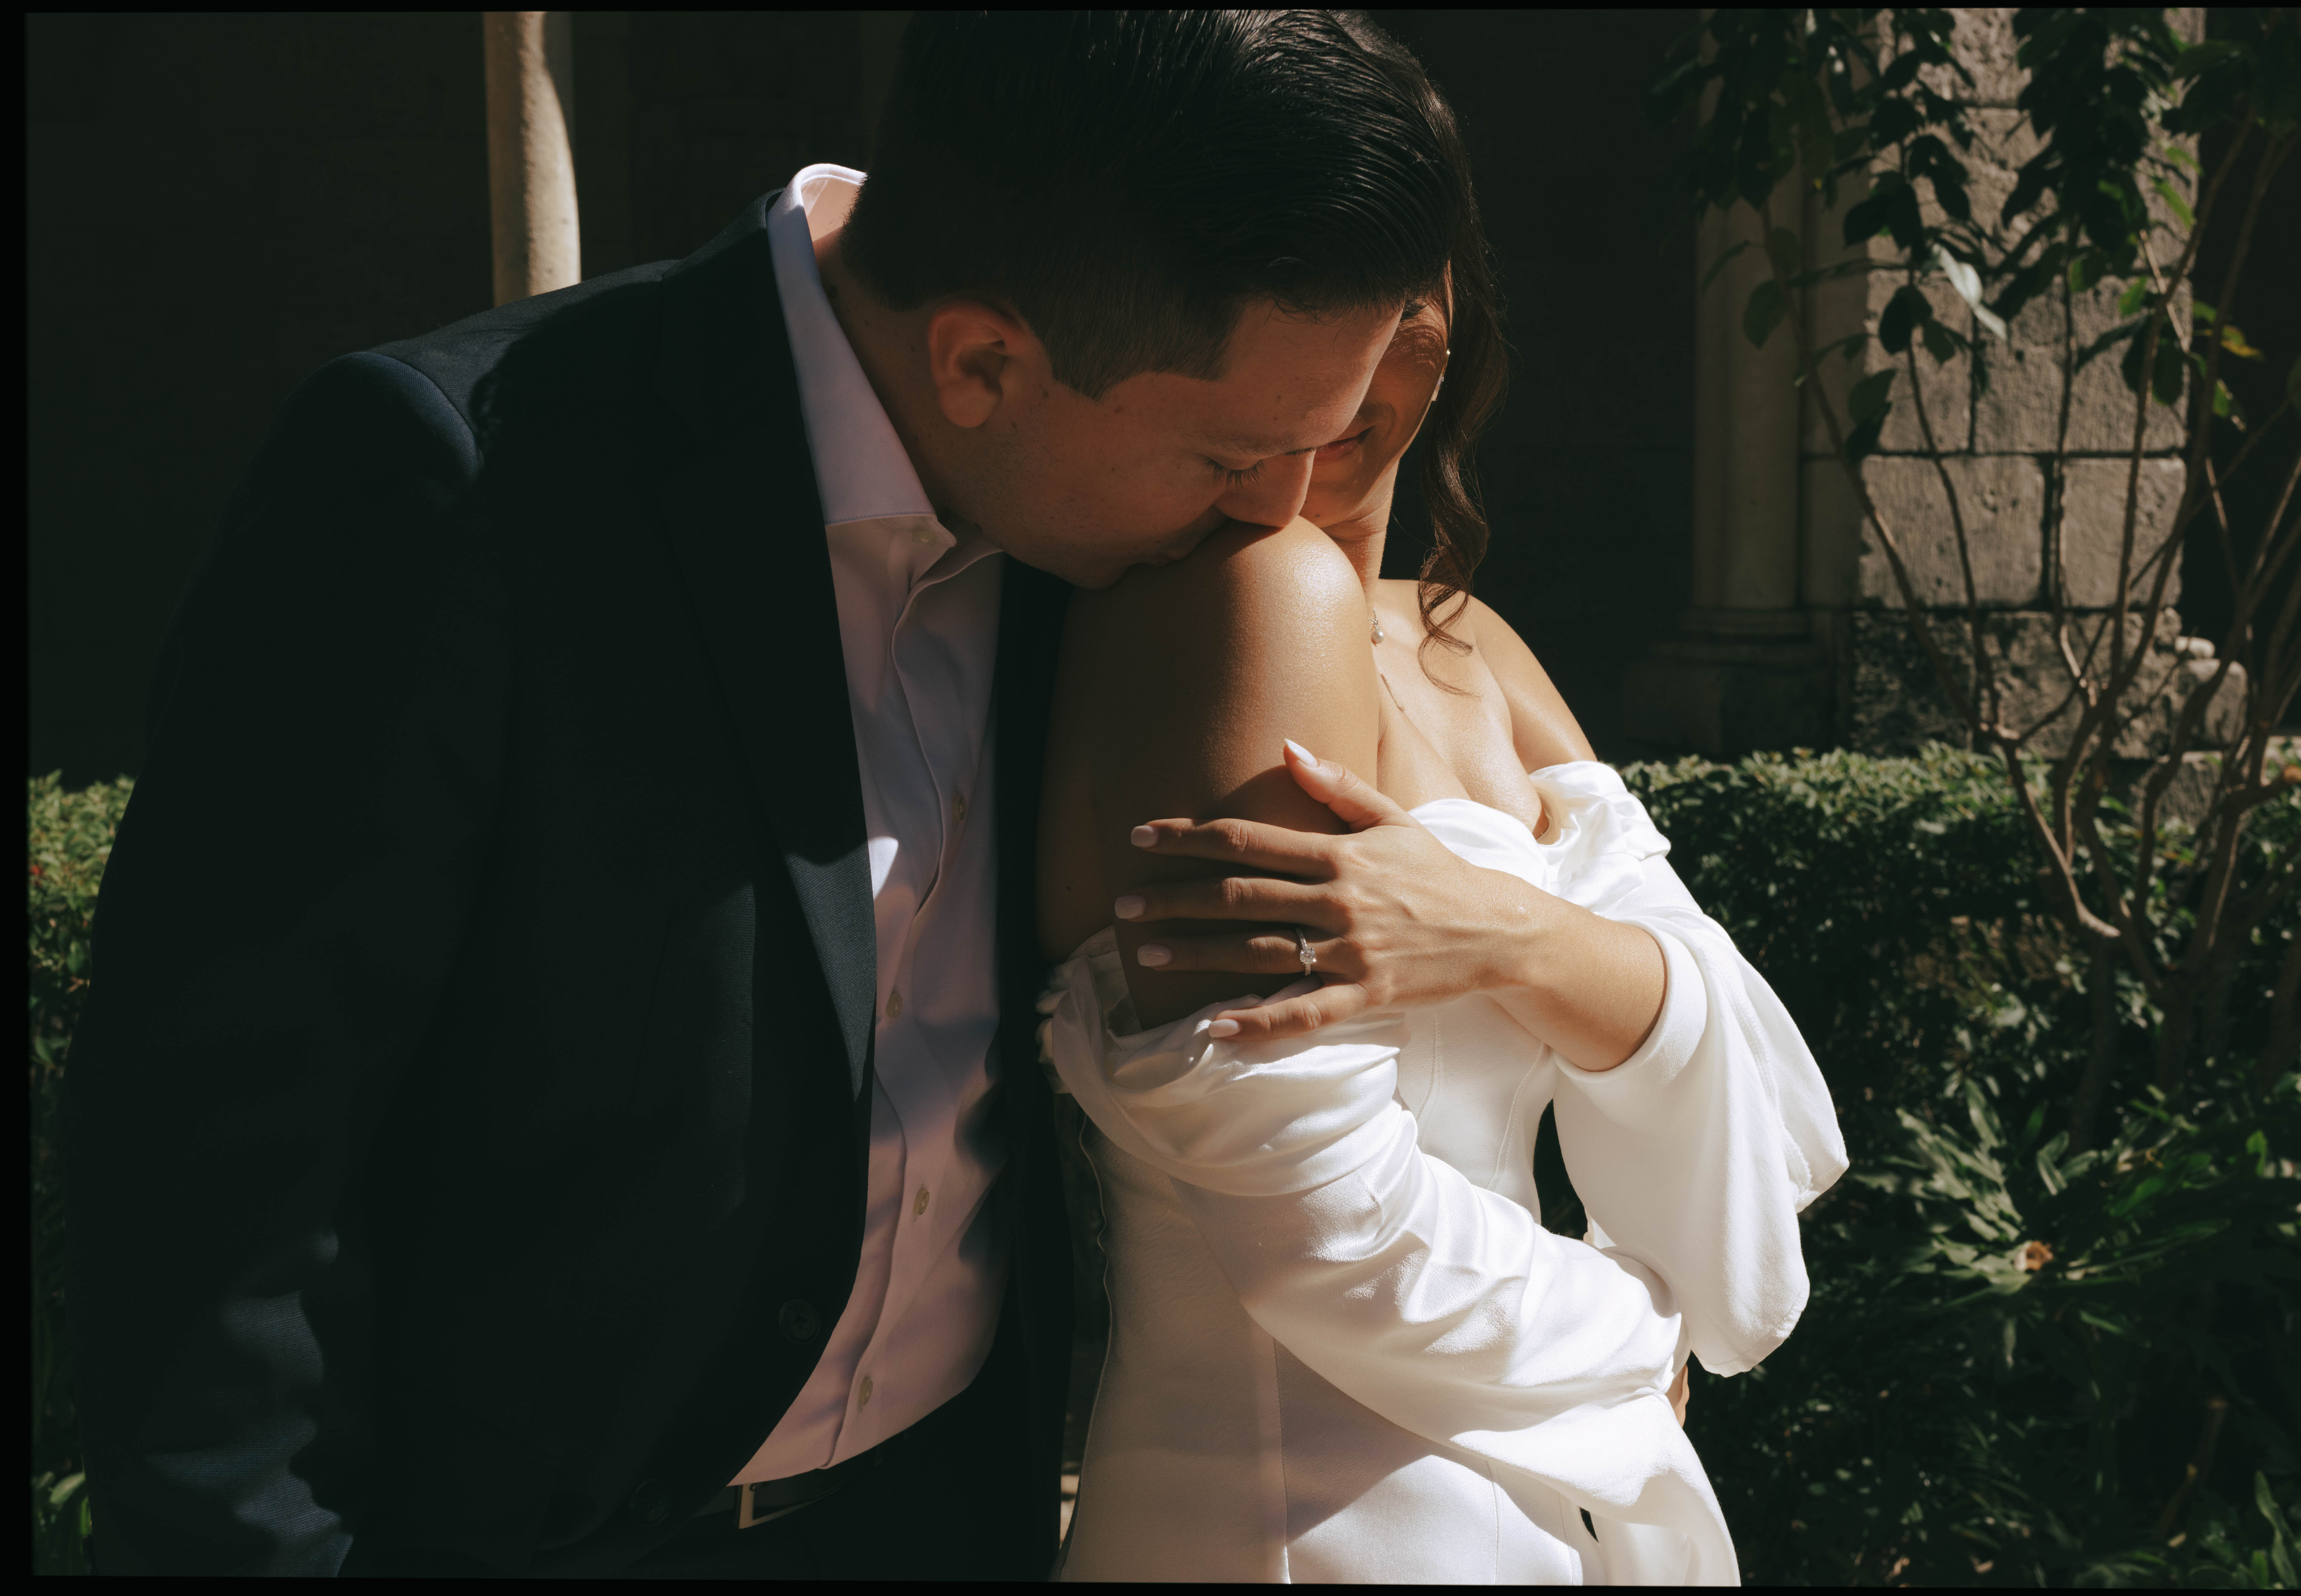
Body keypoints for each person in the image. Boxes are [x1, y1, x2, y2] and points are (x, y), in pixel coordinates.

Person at [64, 13, 1486, 1578]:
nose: (1277, 510)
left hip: (943, 1522)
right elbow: (212, 1217)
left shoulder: (1105, 530)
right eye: (1234, 452)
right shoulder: (459, 489)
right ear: (984, 361)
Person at [1033, 18, 1848, 1582]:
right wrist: (1634, 1334)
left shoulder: (1470, 643)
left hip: (1548, 1493)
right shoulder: (1237, 612)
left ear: (1433, 318)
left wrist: (1507, 935)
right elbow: (1314, 1219)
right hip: (1300, 1519)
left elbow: (1759, 1115)